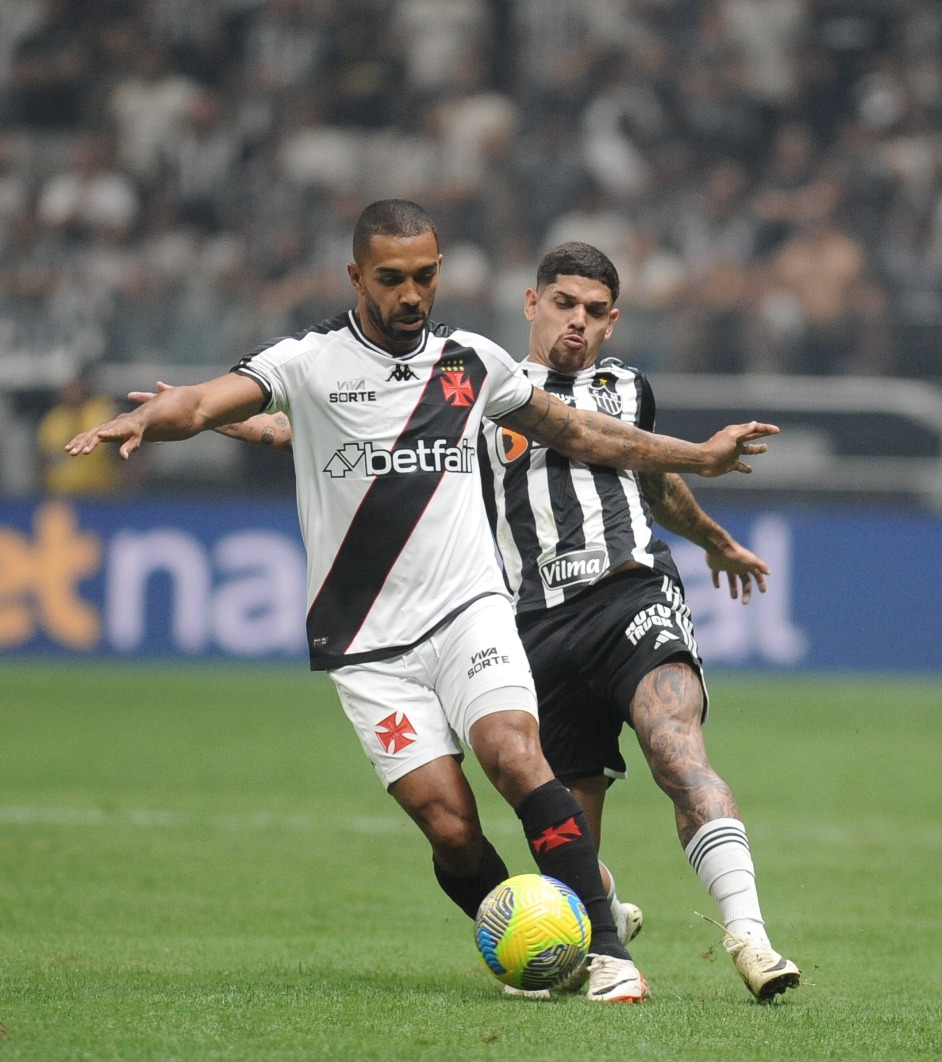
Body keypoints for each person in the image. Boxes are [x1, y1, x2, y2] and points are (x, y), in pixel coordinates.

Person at [66, 200, 777, 1004]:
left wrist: (701, 458)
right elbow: (205, 405)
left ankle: (605, 951)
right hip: (367, 641)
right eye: (393, 279)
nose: (412, 294)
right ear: (356, 276)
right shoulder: (307, 363)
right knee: (448, 825)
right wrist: (149, 418)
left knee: (514, 752)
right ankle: (546, 938)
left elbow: (587, 436)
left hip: (471, 609)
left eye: (426, 276)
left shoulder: (473, 363)